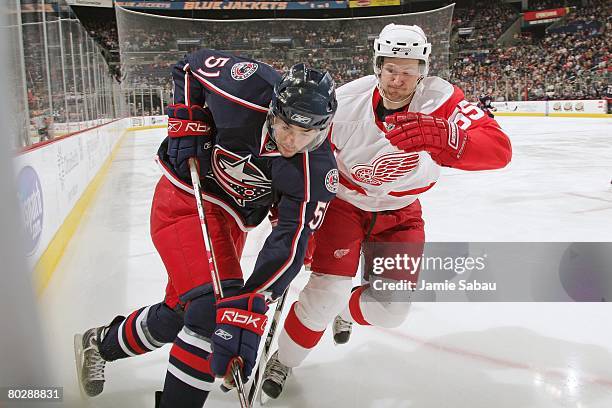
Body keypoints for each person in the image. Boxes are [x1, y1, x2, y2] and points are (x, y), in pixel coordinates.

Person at [74, 49, 338, 408]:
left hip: (231, 222)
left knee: (184, 311)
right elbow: (188, 67)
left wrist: (251, 302)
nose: (291, 140)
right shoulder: (249, 85)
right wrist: (189, 113)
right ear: (274, 109)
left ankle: (100, 342)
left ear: (322, 129)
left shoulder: (317, 169)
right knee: (211, 310)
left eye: (305, 133)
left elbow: (288, 244)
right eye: (285, 126)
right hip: (184, 197)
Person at [261, 23, 512, 399]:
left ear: (423, 70)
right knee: (323, 292)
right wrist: (294, 212)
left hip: (401, 210)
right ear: (377, 65)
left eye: (409, 71)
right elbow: (303, 157)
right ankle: (285, 358)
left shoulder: (443, 99)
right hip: (345, 203)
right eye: (391, 69)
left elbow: (498, 149)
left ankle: (344, 305)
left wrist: (448, 137)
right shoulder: (345, 102)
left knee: (392, 310)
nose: (398, 80)